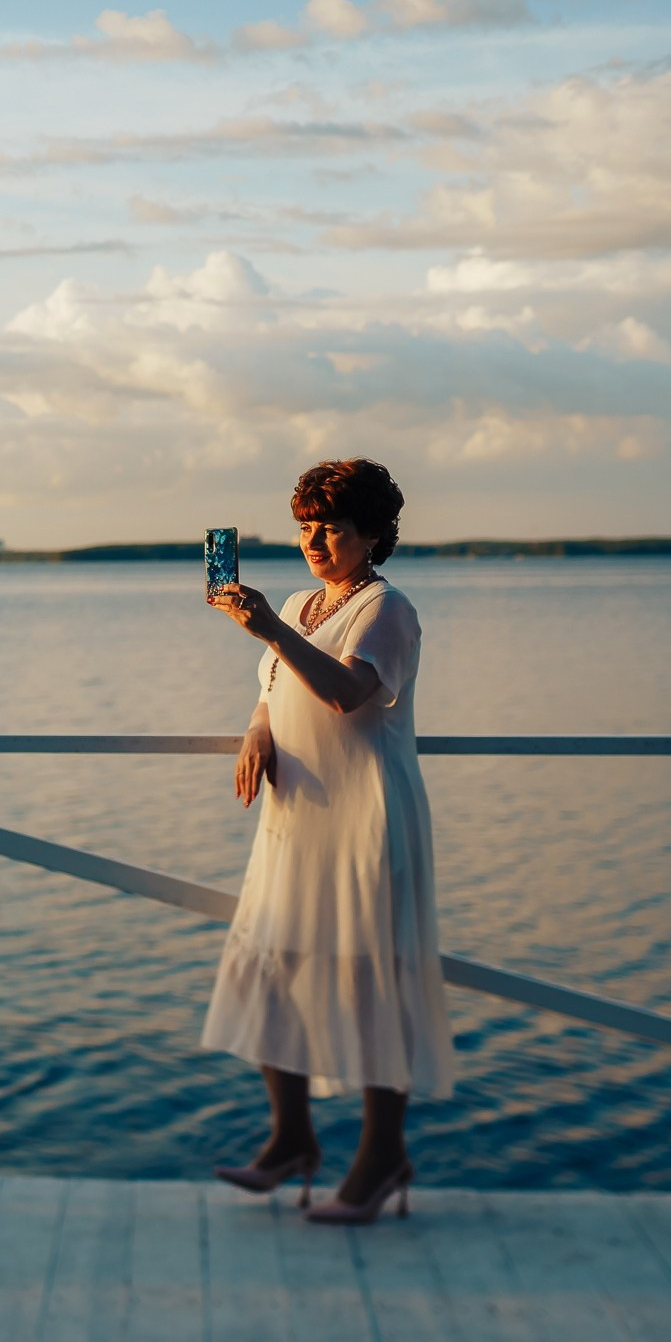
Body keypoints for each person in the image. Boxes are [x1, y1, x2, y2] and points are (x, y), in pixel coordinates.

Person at [203, 458, 451, 1225]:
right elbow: (272, 687)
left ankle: (381, 1157)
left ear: (373, 535)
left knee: (371, 982)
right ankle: (292, 1141)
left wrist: (268, 625)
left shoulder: (388, 609)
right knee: (272, 966)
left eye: (332, 527)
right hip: (297, 817)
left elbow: (348, 694)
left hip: (364, 817)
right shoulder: (305, 602)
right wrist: (256, 731)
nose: (314, 540)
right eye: (306, 526)